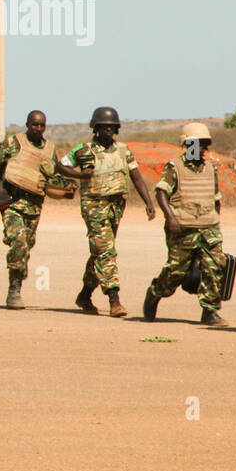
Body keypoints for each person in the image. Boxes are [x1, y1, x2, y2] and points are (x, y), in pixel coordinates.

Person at [57, 106, 155, 317]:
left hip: (116, 206)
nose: (108, 131)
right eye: (104, 127)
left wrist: (148, 201)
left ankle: (84, 294)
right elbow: (61, 166)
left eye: (112, 127)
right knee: (106, 251)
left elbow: (136, 176)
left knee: (100, 252)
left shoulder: (124, 150)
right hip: (94, 206)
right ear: (96, 128)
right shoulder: (83, 150)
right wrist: (79, 175)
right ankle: (114, 298)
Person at [143, 123, 229, 327]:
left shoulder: (210, 168)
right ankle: (155, 292)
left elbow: (216, 197)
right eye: (196, 144)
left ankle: (210, 311)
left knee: (214, 267)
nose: (201, 149)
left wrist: (215, 220)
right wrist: (170, 218)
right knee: (176, 272)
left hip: (209, 228)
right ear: (187, 144)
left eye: (204, 145)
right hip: (182, 228)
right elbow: (161, 191)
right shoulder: (175, 167)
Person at [0, 111, 61, 309]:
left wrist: (66, 187)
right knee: (19, 244)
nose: (38, 129)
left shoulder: (49, 150)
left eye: (41, 125)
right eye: (34, 125)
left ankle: (17, 281)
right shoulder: (13, 144)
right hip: (12, 204)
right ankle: (14, 291)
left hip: (34, 207)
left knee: (26, 247)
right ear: (27, 125)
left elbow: (53, 176)